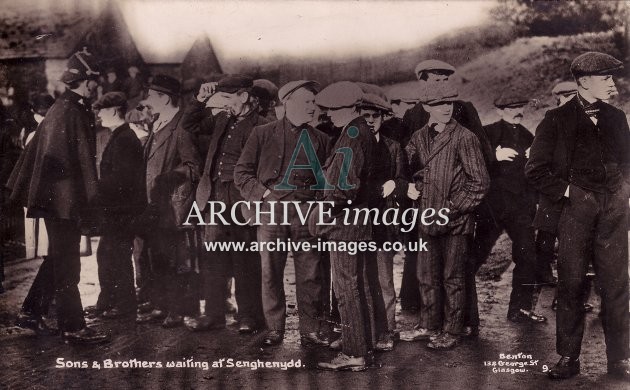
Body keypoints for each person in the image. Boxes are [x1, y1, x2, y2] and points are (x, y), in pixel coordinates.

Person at [525, 51, 630, 380]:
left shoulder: (617, 117)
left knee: (616, 285)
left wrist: (624, 191)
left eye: (612, 78)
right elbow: (535, 170)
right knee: (570, 286)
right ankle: (568, 358)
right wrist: (571, 193)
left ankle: (620, 360)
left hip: (614, 210)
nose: (613, 84)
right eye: (606, 79)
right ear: (584, 81)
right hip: (574, 213)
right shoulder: (555, 120)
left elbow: (628, 162)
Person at [6, 49, 109, 344]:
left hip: (56, 199)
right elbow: (82, 163)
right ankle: (73, 327)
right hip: (64, 201)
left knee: (57, 258)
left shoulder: (63, 108)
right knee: (68, 264)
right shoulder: (72, 111)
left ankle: (30, 313)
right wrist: (90, 201)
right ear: (82, 81)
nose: (96, 86)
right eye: (94, 80)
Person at [235, 80, 331, 347]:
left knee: (311, 274)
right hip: (270, 214)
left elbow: (329, 181)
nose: (313, 107)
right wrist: (264, 195)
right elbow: (241, 173)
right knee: (270, 272)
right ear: (287, 102)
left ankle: (310, 329)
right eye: (306, 102)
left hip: (307, 214)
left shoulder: (322, 139)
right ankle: (275, 328)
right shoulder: (262, 134)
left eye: (314, 102)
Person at [401, 83, 489, 350]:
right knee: (426, 275)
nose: (445, 109)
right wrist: (412, 187)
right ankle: (429, 325)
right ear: (426, 107)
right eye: (439, 104)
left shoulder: (465, 137)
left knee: (454, 278)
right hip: (426, 217)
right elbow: (406, 168)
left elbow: (480, 182)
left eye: (449, 103)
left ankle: (453, 330)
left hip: (455, 220)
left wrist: (451, 208)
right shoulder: (418, 137)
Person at [181, 74, 266, 333]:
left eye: (229, 98)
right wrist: (200, 99)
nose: (225, 104)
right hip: (215, 196)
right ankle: (213, 315)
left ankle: (249, 317)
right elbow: (189, 125)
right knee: (213, 257)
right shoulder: (221, 119)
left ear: (245, 96)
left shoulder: (263, 126)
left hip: (242, 199)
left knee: (244, 259)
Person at [314, 81, 378, 372]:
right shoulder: (361, 130)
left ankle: (354, 353)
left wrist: (323, 213)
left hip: (345, 222)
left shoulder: (351, 135)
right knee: (358, 284)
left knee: (346, 287)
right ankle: (362, 341)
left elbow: (345, 187)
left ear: (351, 108)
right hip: (359, 220)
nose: (330, 115)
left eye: (335, 110)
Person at [471, 92, 546, 325]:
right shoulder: (487, 133)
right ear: (500, 111)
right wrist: (493, 155)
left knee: (527, 256)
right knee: (474, 256)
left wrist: (533, 161)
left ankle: (520, 309)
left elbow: (536, 174)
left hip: (520, 210)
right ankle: (460, 313)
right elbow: (471, 163)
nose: (517, 111)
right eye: (511, 107)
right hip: (491, 208)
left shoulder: (528, 136)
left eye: (520, 106)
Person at [135, 75, 201, 328]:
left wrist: (171, 176)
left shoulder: (181, 125)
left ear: (163, 97)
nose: (148, 101)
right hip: (155, 203)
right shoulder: (158, 123)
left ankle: (179, 309)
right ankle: (163, 305)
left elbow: (193, 166)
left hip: (172, 205)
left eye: (152, 95)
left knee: (177, 259)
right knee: (158, 256)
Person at [359, 92, 409, 351]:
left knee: (383, 279)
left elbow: (403, 181)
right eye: (365, 116)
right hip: (356, 221)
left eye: (375, 116)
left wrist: (395, 184)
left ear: (383, 117)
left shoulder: (393, 146)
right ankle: (361, 331)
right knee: (356, 280)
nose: (370, 121)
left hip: (382, 221)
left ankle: (388, 330)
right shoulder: (353, 144)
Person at [91, 92, 145, 319]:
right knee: (109, 255)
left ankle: (124, 307)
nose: (99, 116)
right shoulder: (120, 136)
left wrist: (94, 190)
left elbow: (122, 180)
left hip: (121, 211)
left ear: (113, 111)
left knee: (117, 257)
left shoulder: (124, 139)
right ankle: (112, 303)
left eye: (101, 111)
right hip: (118, 210)